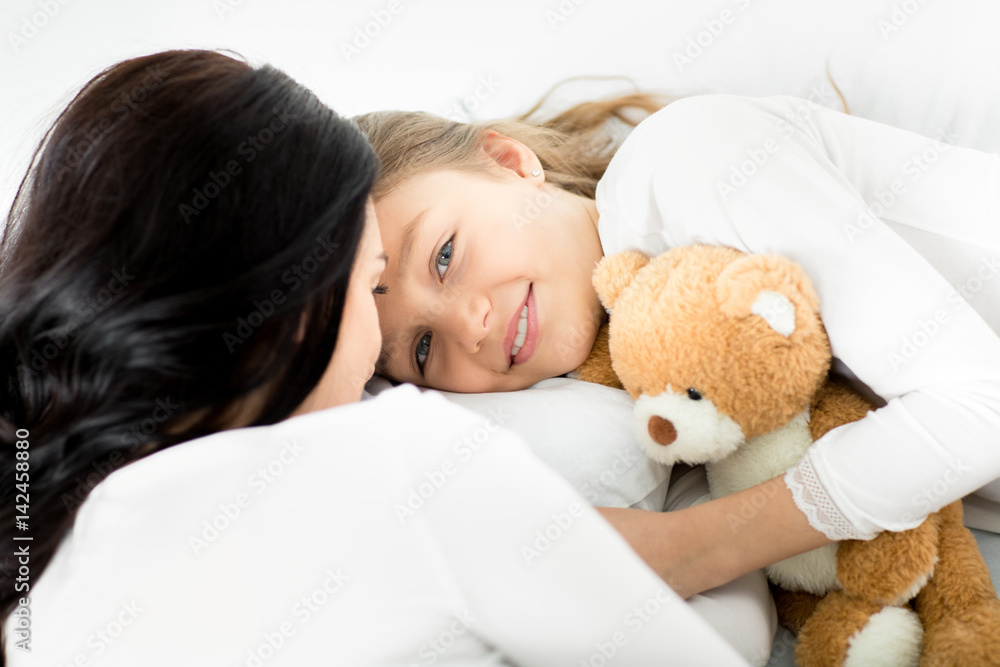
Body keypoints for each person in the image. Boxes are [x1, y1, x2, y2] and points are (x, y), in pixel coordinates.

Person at [0, 50, 756, 666]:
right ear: (280, 315)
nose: (373, 371)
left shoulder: (44, 603)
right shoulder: (400, 455)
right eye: (370, 286)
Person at [359, 88, 1000, 601]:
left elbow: (983, 405)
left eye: (444, 255)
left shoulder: (680, 162)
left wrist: (691, 550)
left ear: (510, 163)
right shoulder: (659, 381)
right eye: (421, 349)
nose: (467, 326)